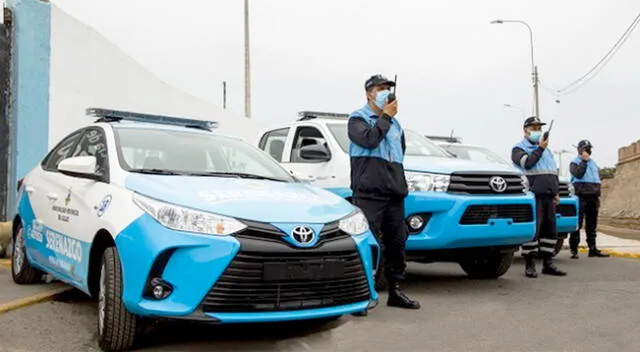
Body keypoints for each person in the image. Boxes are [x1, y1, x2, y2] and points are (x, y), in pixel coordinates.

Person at [347, 74, 420, 309]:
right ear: (369, 93)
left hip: (394, 195)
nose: (386, 92)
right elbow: (369, 141)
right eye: (381, 88)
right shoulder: (357, 119)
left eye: (389, 88)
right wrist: (386, 116)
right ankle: (361, 295)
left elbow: (400, 155)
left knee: (397, 243)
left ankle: (396, 291)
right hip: (369, 194)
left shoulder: (397, 126)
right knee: (368, 244)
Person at [511, 116, 567, 278]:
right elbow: (527, 163)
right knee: (533, 232)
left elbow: (552, 171)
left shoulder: (547, 151)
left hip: (549, 196)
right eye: (533, 128)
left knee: (550, 231)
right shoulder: (518, 148)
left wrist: (556, 191)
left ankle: (548, 264)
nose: (537, 131)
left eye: (539, 128)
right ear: (525, 130)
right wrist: (540, 148)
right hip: (532, 196)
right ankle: (530, 264)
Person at [568, 140, 610, 259]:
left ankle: (592, 249)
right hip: (581, 196)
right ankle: (574, 249)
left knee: (592, 224)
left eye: (589, 149)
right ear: (580, 150)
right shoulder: (574, 162)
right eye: (586, 149)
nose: (588, 151)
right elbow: (579, 174)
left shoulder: (594, 163)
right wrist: (584, 161)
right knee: (578, 224)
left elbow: (596, 178)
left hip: (593, 196)